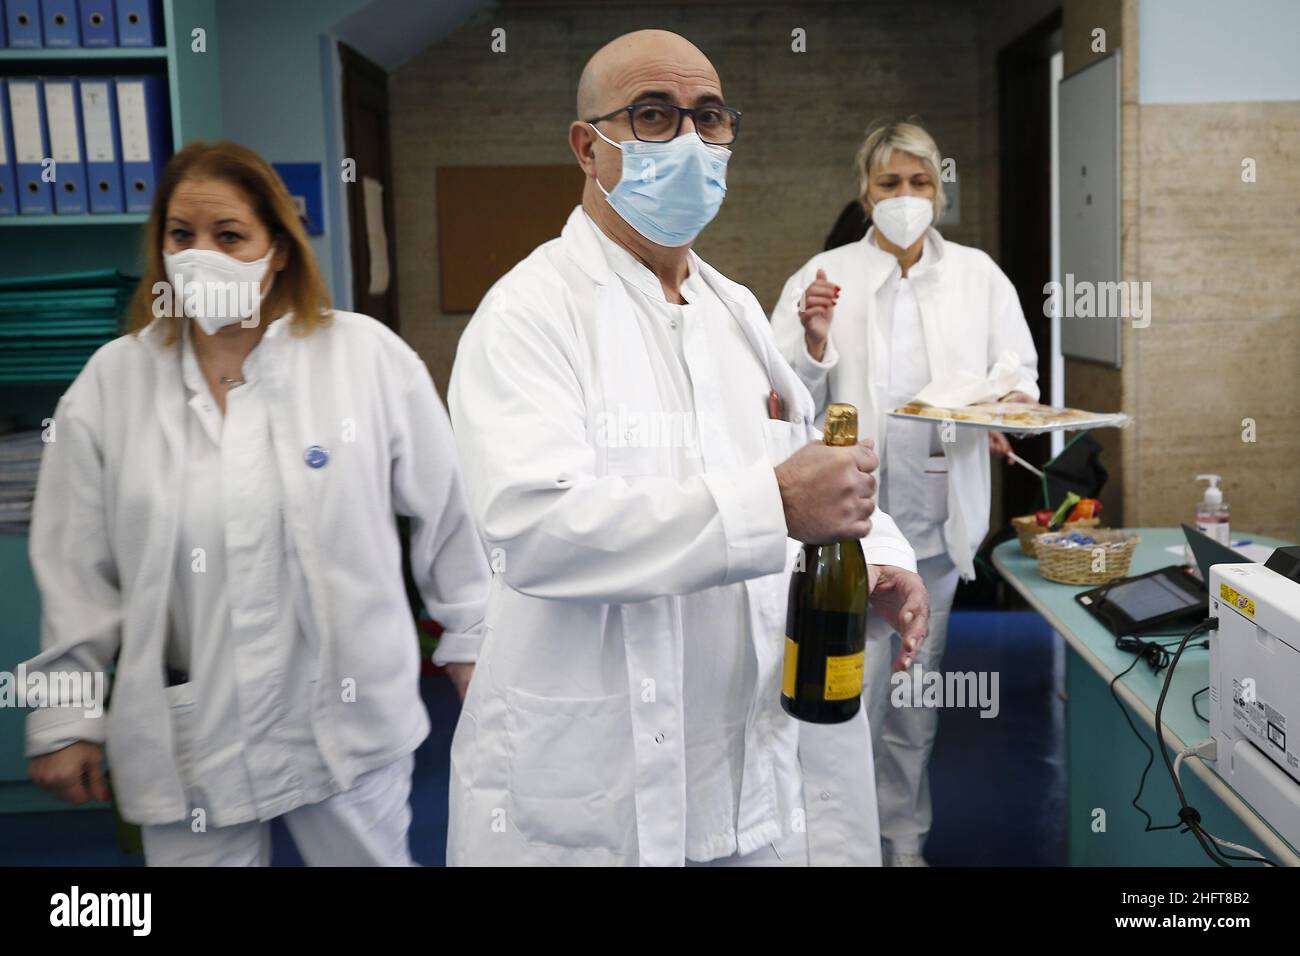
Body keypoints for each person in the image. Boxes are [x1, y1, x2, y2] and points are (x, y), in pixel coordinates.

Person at [445, 30, 931, 867]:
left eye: (709, 119)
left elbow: (807, 454)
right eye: (653, 116)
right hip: (607, 783)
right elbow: (536, 528)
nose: (690, 142)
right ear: (587, 147)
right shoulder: (529, 313)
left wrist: (880, 550)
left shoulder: (733, 308)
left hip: (752, 773)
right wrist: (770, 505)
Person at [23, 141, 491, 866]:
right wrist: (64, 713)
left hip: (345, 715)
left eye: (228, 235)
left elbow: (450, 514)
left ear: (276, 249)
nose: (199, 253)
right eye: (181, 235)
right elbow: (75, 566)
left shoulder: (364, 359)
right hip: (189, 730)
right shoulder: (114, 382)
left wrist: (472, 643)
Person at [770, 120, 1040, 866]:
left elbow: (1019, 373)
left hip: (935, 526)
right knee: (836, 699)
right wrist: (815, 340)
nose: (905, 197)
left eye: (919, 183)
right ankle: (830, 847)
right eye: (890, 183)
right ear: (866, 193)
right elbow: (779, 398)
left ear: (940, 190)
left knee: (914, 709)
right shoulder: (822, 275)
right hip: (842, 534)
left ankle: (904, 843)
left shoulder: (979, 277)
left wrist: (1002, 405)